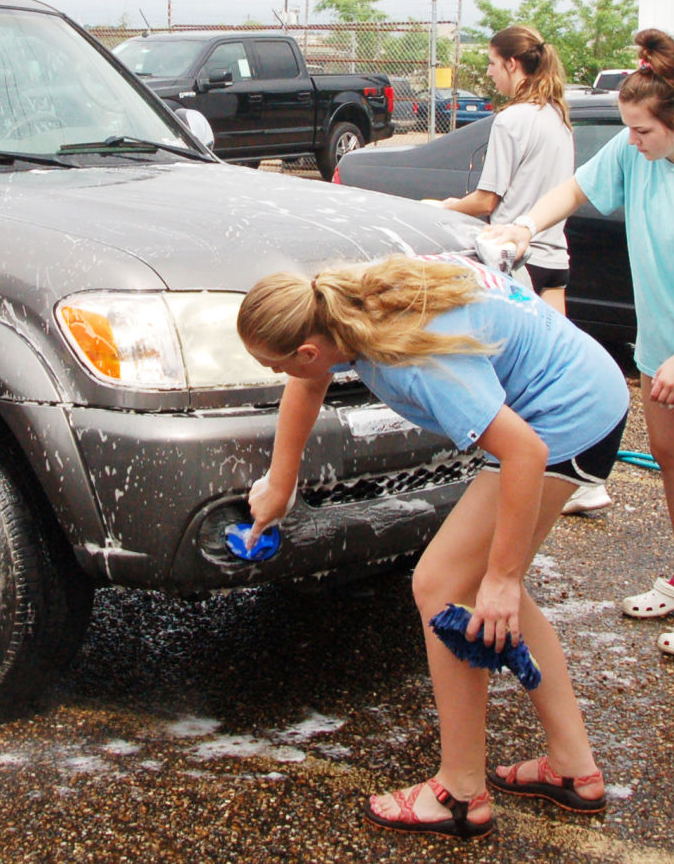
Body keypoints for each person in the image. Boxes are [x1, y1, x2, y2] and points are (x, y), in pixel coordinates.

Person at [238, 254, 628, 840]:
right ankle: (573, 770)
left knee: (446, 585)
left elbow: (526, 453)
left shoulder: (414, 362)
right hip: (576, 384)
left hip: (564, 416)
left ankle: (460, 794)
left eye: (273, 364)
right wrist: (280, 482)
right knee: (475, 586)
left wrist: (500, 578)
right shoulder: (341, 299)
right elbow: (307, 379)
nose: (280, 371)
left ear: (309, 347)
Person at [486, 28, 674, 659]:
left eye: (643, 132)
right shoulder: (636, 150)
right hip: (660, 342)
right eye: (628, 130)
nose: (632, 142)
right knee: (670, 458)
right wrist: (526, 226)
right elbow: (575, 189)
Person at [434, 26, 610, 516]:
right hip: (555, 258)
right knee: (561, 374)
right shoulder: (558, 115)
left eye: (492, 63)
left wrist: (442, 205)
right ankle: (583, 478)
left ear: (513, 64)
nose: (490, 74)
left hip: (518, 260)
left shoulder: (512, 120)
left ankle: (518, 473)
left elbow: (486, 201)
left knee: (516, 380)